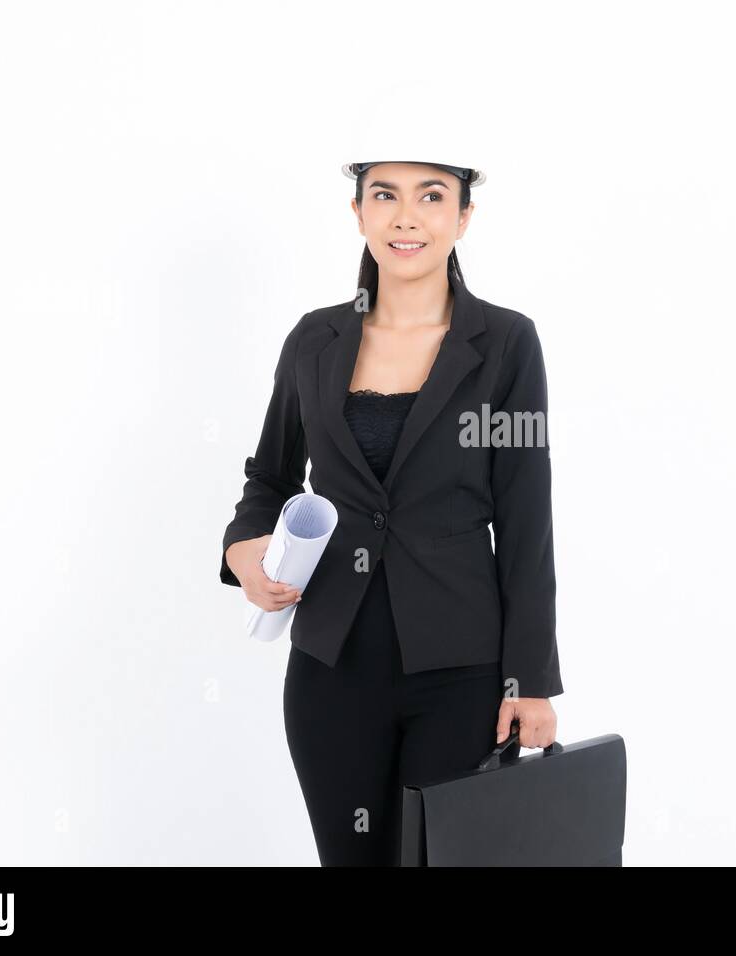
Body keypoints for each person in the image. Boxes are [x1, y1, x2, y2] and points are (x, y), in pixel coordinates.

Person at [219, 158, 563, 865]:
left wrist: (530, 682)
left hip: (464, 676)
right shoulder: (314, 341)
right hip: (331, 672)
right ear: (359, 213)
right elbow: (269, 476)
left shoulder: (506, 345)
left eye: (431, 196)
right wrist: (243, 548)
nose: (407, 216)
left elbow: (527, 520)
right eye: (386, 195)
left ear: (463, 216)